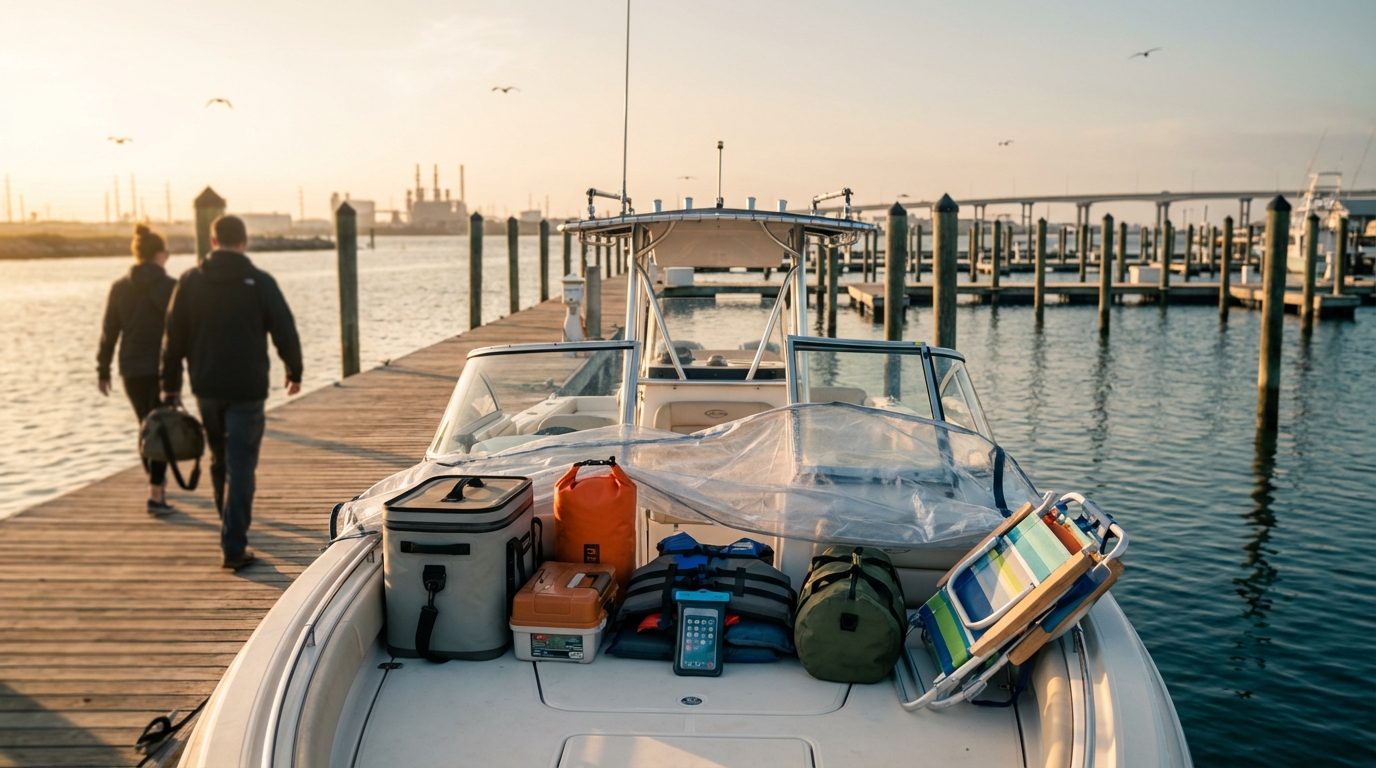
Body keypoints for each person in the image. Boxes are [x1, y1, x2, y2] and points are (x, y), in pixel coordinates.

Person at [161, 215, 303, 570]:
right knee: (241, 465)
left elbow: (173, 337)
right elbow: (284, 329)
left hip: (206, 386)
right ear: (244, 242)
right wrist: (293, 370)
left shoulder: (190, 281)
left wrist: (170, 384)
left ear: (212, 241)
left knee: (219, 458)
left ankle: (229, 530)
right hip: (247, 388)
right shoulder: (260, 282)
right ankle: (233, 544)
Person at [97, 224, 179, 515]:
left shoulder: (120, 287)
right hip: (161, 368)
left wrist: (103, 370)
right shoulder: (171, 286)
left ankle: (154, 482)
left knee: (146, 425)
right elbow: (181, 331)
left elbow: (110, 332)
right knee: (161, 429)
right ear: (159, 254)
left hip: (130, 367)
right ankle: (156, 492)